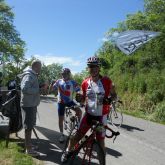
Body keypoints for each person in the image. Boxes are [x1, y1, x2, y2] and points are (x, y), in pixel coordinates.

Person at [61, 56, 116, 163]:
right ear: (88, 68)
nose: (93, 68)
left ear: (99, 67)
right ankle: (67, 151)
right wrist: (80, 98)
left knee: (101, 143)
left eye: (95, 66)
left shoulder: (106, 81)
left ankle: (102, 163)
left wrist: (110, 99)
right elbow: (82, 99)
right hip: (89, 115)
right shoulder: (85, 82)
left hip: (101, 117)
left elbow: (114, 95)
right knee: (76, 137)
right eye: (91, 66)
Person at [52, 68, 82, 143]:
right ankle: (62, 135)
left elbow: (79, 91)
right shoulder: (59, 81)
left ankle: (79, 128)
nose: (63, 75)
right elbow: (53, 89)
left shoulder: (73, 82)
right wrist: (53, 86)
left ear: (69, 74)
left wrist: (80, 97)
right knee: (60, 119)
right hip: (61, 102)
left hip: (70, 102)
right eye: (62, 74)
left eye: (65, 74)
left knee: (79, 111)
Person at [20, 60, 42, 156]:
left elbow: (30, 87)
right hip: (28, 105)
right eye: (40, 67)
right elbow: (25, 88)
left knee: (30, 125)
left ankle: (28, 145)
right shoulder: (29, 75)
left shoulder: (32, 75)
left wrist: (39, 88)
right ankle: (29, 150)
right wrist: (38, 90)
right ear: (36, 66)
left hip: (31, 104)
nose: (41, 69)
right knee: (28, 127)